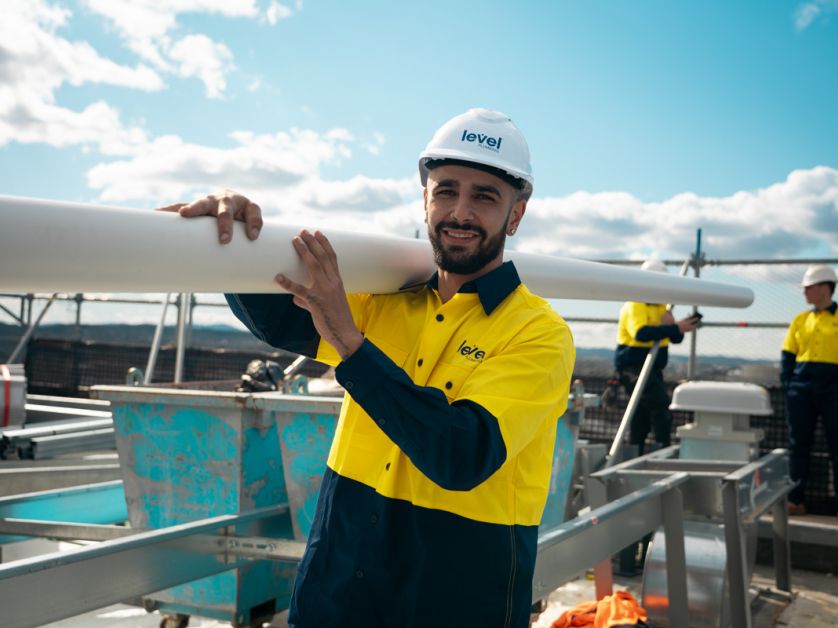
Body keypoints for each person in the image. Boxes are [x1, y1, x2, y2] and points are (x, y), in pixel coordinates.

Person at [161, 108, 576, 627]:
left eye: (484, 196)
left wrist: (352, 345)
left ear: (516, 214)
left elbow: (460, 454)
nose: (460, 212)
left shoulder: (538, 334)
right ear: (425, 199)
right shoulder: (387, 302)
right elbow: (278, 317)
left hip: (451, 601)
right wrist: (235, 238)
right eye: (446, 190)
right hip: (337, 592)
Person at [613, 260, 699, 456]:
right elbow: (641, 333)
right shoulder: (636, 303)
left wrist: (678, 326)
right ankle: (663, 450)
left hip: (653, 368)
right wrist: (674, 327)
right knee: (661, 406)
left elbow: (675, 337)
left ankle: (636, 452)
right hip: (633, 367)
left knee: (641, 414)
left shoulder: (661, 306)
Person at [781, 264, 838, 516]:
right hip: (802, 391)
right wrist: (789, 386)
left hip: (834, 391)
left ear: (824, 288)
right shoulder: (800, 320)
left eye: (808, 288)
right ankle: (795, 499)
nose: (804, 293)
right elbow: (788, 356)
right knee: (798, 445)